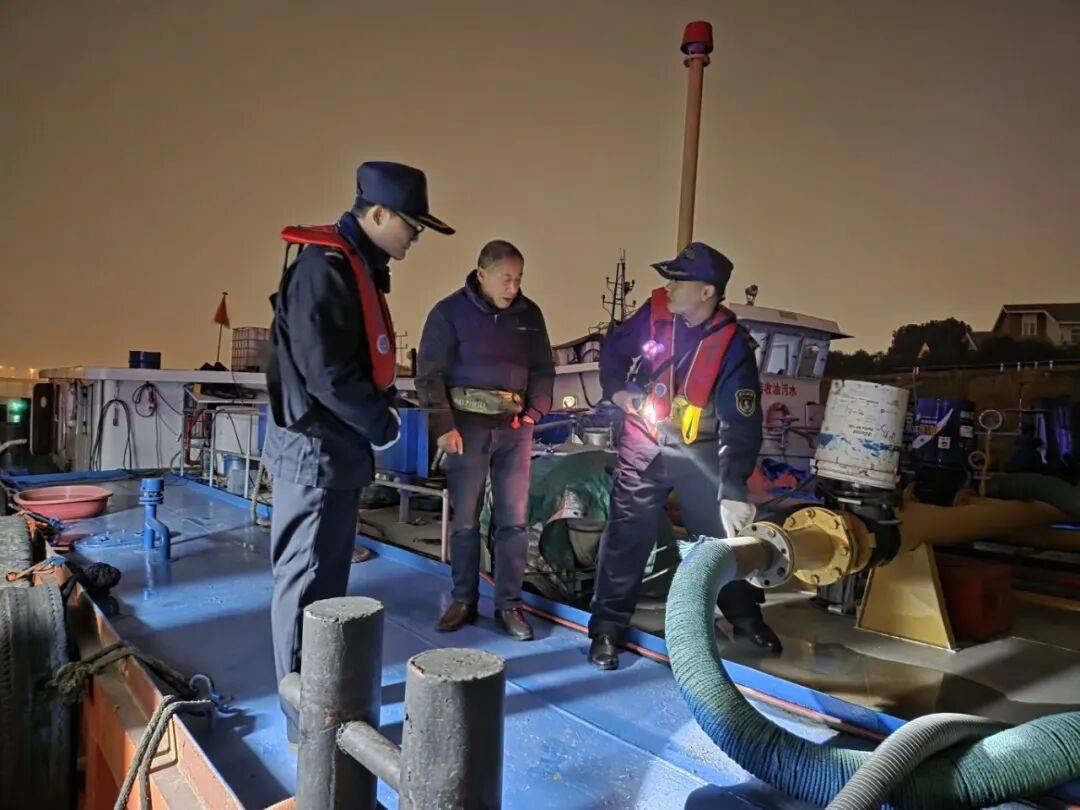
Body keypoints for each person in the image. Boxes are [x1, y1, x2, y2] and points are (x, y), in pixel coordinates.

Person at [263, 161, 454, 738]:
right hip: (316, 454)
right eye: (411, 225)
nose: (415, 236)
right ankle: (304, 726)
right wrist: (381, 424)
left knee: (325, 583)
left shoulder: (351, 268)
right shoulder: (323, 271)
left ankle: (320, 698)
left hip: (335, 454)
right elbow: (325, 374)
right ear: (376, 214)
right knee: (306, 584)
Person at [587, 241, 782, 670]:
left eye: (679, 280)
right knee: (627, 536)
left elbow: (741, 424)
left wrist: (733, 489)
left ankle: (745, 618)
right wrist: (617, 391)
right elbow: (614, 349)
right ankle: (606, 629)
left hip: (699, 452)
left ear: (707, 292)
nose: (669, 287)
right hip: (644, 443)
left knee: (718, 539)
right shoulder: (654, 313)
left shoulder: (733, 347)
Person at [416, 240, 555, 640]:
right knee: (465, 519)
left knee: (514, 520)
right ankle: (464, 598)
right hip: (466, 428)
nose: (514, 288)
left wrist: (535, 411)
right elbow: (429, 373)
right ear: (481, 274)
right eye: (506, 279)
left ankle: (509, 604)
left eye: (519, 279)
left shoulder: (530, 316)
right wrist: (444, 426)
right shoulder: (448, 313)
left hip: (515, 429)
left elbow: (543, 369)